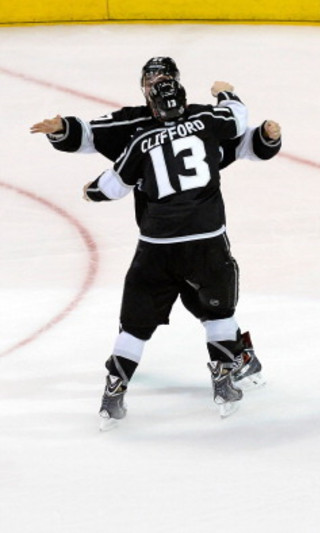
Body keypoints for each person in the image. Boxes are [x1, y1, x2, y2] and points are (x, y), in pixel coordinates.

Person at [29, 57, 281, 391]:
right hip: (190, 233)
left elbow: (247, 144)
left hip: (161, 240)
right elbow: (91, 134)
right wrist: (63, 130)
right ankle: (236, 359)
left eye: (161, 78)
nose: (153, 84)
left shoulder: (153, 130)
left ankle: (227, 359)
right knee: (212, 304)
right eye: (149, 79)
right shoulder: (153, 121)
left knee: (193, 306)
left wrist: (266, 138)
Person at [81, 78, 250, 429]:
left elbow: (112, 188)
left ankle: (114, 393)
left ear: (153, 107)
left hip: (157, 248)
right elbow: (237, 119)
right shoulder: (206, 122)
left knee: (135, 325)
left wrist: (91, 191)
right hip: (207, 241)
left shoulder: (141, 141)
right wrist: (225, 93)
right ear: (184, 102)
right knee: (219, 313)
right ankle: (223, 381)